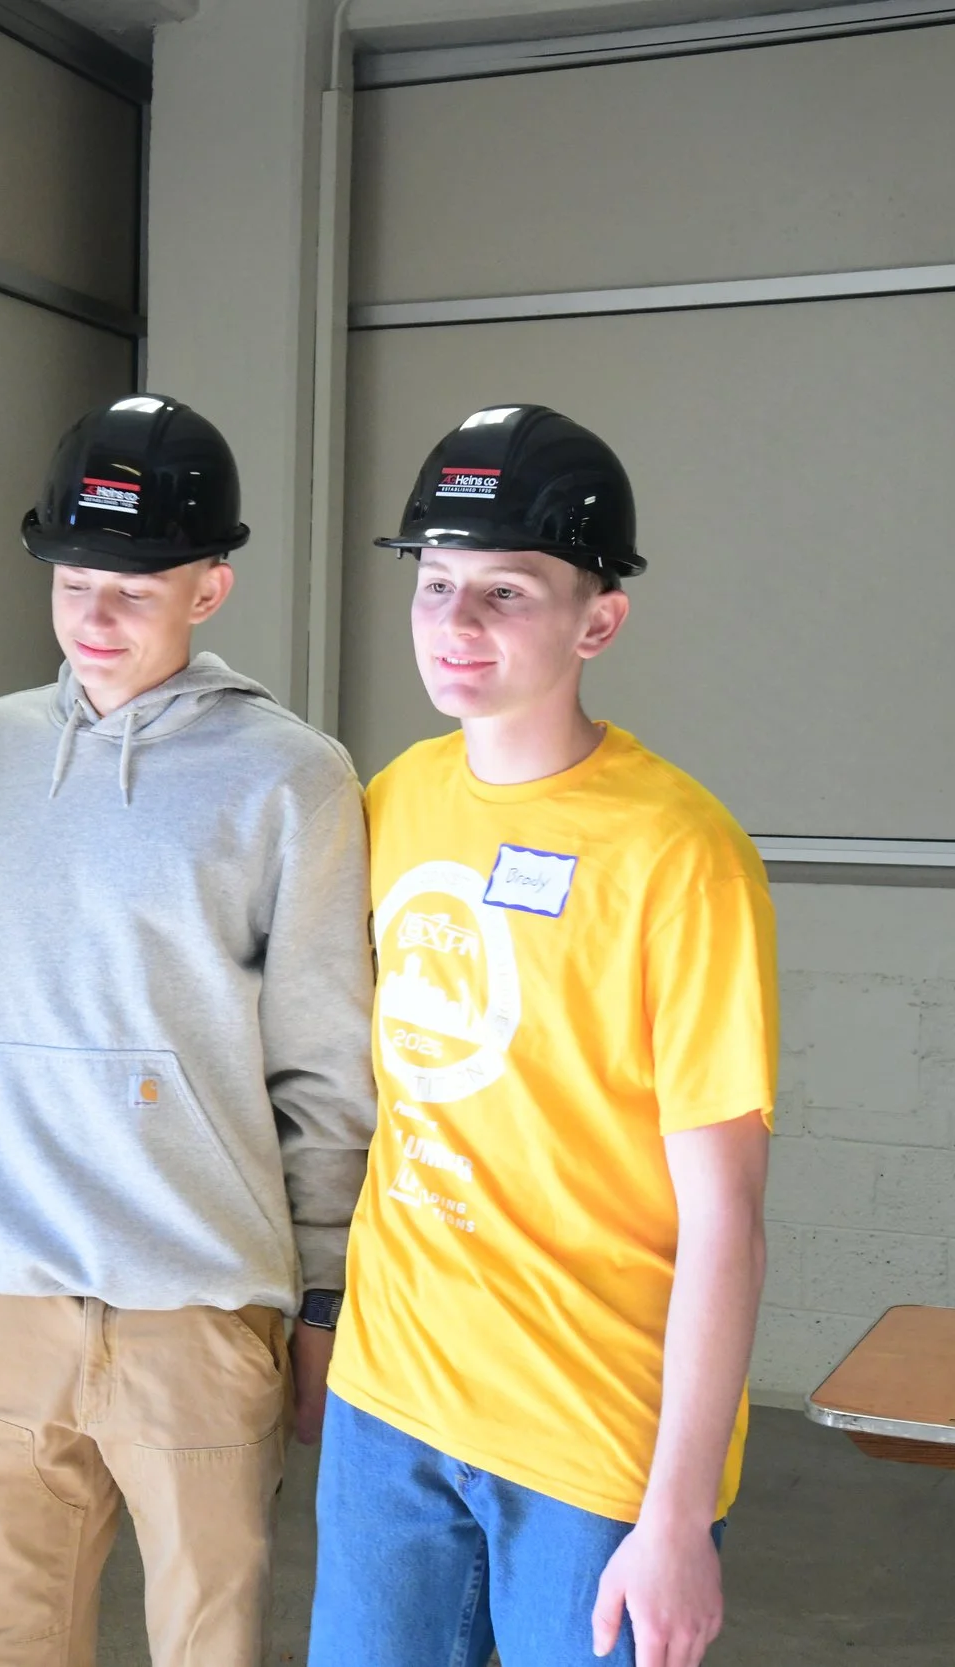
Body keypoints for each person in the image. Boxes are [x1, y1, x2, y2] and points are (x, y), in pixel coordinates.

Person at [0, 395, 375, 1667]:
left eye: (134, 592)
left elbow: (326, 1059)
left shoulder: (291, 777)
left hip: (198, 1310)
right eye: (74, 581)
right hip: (15, 1297)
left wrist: (320, 1292)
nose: (94, 619)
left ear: (210, 587)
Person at [307, 405, 777, 1667]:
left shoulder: (679, 854)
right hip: (386, 1408)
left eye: (504, 591)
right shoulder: (392, 800)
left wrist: (675, 1511)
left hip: (586, 1437)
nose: (456, 624)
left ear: (597, 619)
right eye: (436, 582)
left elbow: (724, 1211)